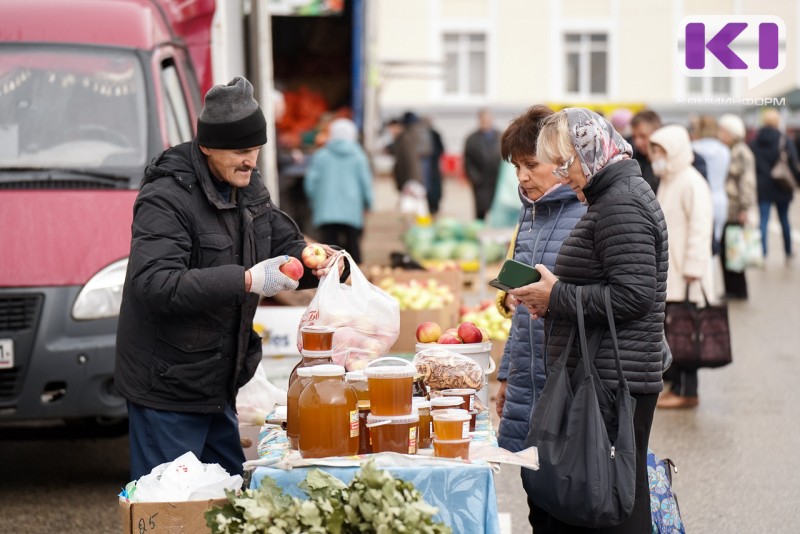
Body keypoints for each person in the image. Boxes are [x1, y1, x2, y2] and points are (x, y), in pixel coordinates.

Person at [115, 77, 347, 481]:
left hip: (218, 385)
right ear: (208, 146)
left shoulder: (248, 187)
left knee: (229, 497)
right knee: (171, 504)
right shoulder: (166, 198)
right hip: (167, 390)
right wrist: (246, 280)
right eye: (241, 151)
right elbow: (155, 283)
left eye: (256, 149)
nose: (251, 161)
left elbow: (282, 243)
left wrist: (317, 263)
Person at [509, 108, 668, 533]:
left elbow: (634, 295)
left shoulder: (622, 202)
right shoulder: (611, 196)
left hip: (615, 380)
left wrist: (557, 295)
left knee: (611, 501)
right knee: (606, 495)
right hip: (611, 374)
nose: (564, 176)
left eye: (566, 164)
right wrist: (554, 297)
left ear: (590, 150)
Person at [493, 105, 586, 459]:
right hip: (527, 380)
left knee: (568, 478)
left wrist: (555, 296)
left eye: (531, 165)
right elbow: (520, 310)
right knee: (533, 480)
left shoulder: (589, 211)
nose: (522, 176)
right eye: (516, 167)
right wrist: (508, 374)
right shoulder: (529, 214)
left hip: (571, 383)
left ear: (561, 158)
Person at [648, 124, 714, 410]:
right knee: (674, 332)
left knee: (686, 333)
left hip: (686, 274)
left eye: (660, 151)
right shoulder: (669, 180)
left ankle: (688, 391)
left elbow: (701, 227)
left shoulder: (691, 181)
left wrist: (693, 267)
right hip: (670, 273)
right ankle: (676, 386)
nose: (655, 157)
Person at [304, 117, 373, 265]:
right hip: (352, 209)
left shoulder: (321, 155)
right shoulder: (359, 156)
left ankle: (330, 272)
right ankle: (355, 271)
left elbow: (311, 183)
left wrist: (314, 200)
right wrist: (368, 203)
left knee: (329, 248)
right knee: (353, 244)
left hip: (326, 208)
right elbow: (365, 183)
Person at [749, 108, 800, 263]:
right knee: (784, 219)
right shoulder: (784, 140)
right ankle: (788, 249)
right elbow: (793, 163)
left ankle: (762, 253)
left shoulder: (754, 142)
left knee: (763, 220)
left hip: (762, 186)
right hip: (782, 186)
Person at [718, 113, 757, 299]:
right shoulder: (731, 150)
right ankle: (732, 288)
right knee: (729, 249)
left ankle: (738, 290)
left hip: (735, 209)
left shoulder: (741, 152)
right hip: (730, 208)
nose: (720, 134)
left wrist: (744, 208)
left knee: (734, 250)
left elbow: (747, 182)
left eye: (723, 131)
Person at [632, 109, 709, 195]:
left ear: (657, 133)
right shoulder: (635, 161)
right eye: (634, 137)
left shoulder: (693, 162)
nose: (637, 142)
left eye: (643, 136)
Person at [692, 115, 731, 256]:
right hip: (719, 198)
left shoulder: (693, 148)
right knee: (716, 243)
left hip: (700, 199)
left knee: (699, 243)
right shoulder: (724, 150)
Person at [464, 108, 502, 220]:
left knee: (496, 207)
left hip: (497, 178)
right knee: (481, 208)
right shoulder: (472, 139)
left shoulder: (500, 136)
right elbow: (467, 160)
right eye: (483, 120)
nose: (486, 122)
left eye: (488, 119)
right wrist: (474, 177)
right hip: (481, 180)